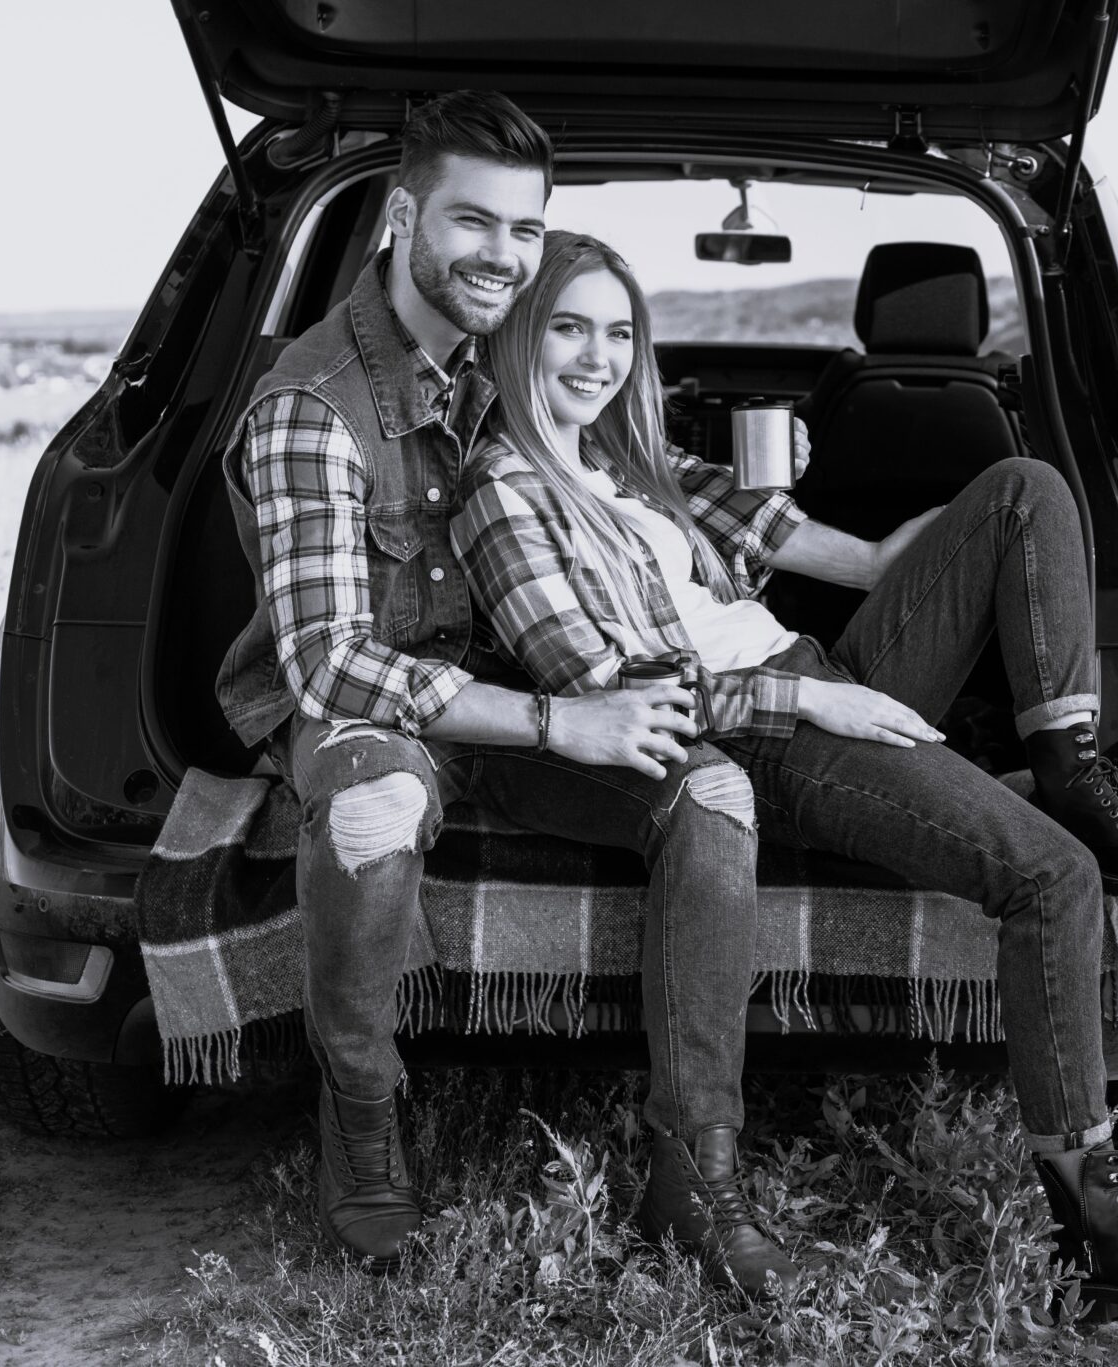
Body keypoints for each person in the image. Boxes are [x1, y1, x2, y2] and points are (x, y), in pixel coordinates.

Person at [449, 230, 1118, 1317]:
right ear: (515, 335)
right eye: (568, 328)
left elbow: (785, 531)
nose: (597, 357)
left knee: (1023, 486)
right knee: (1054, 878)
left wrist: (891, 561)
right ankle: (1097, 1221)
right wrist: (817, 700)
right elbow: (608, 686)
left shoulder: (621, 458)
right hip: (761, 730)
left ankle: (1069, 766)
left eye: (616, 331)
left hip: (804, 676)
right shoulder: (501, 491)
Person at [215, 94, 794, 1295]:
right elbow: (327, 660)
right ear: (401, 213)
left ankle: (693, 1160)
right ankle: (362, 1120)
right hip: (370, 707)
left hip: (517, 681)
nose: (502, 256)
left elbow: (635, 465)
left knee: (714, 790)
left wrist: (866, 552)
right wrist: (556, 721)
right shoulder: (308, 403)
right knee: (374, 800)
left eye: (524, 231)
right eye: (473, 222)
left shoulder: (503, 346)